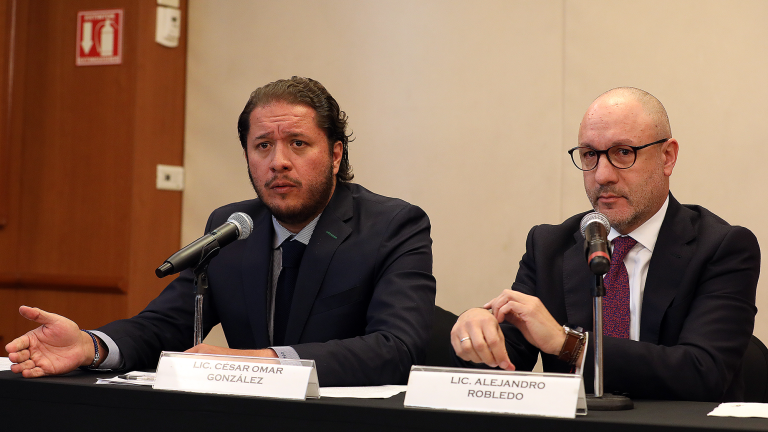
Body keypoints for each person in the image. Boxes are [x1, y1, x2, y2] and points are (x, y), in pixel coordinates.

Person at [5, 76, 436, 387]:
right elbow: (164, 325)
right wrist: (89, 346)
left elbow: (396, 348)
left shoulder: (392, 226)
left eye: (298, 144)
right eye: (263, 145)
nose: (278, 161)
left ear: (336, 155)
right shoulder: (233, 228)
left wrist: (254, 363)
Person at [451, 87, 760, 401]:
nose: (602, 175)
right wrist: (477, 332)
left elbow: (703, 372)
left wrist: (569, 344)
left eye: (623, 152)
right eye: (589, 155)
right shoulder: (549, 247)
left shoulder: (723, 248)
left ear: (667, 157)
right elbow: (507, 359)